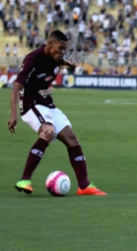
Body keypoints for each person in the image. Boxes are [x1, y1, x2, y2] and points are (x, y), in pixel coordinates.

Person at [7, 30, 107, 196]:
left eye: (65, 49)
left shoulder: (57, 58)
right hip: (31, 103)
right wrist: (13, 113)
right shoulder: (33, 59)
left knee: (72, 138)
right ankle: (25, 179)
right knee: (48, 131)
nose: (62, 52)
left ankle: (84, 185)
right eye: (60, 48)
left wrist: (70, 65)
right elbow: (17, 85)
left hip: (48, 103)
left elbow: (62, 62)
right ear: (50, 45)